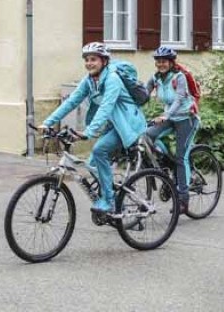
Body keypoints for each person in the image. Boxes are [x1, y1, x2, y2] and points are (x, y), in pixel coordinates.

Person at [41, 42, 147, 214]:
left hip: (128, 125)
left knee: (99, 151)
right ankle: (113, 194)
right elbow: (71, 101)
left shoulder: (113, 79)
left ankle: (110, 201)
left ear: (104, 61)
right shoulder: (89, 81)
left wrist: (89, 132)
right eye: (87, 60)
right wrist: (48, 122)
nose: (89, 63)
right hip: (113, 124)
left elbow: (106, 107)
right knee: (92, 164)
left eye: (94, 60)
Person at [143, 46, 198, 215]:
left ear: (171, 62)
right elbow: (144, 95)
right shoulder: (155, 78)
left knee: (182, 157)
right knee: (146, 136)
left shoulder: (178, 76)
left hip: (187, 118)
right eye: (158, 61)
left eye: (164, 61)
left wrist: (166, 115)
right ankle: (168, 163)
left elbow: (180, 98)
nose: (161, 64)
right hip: (170, 118)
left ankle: (183, 199)